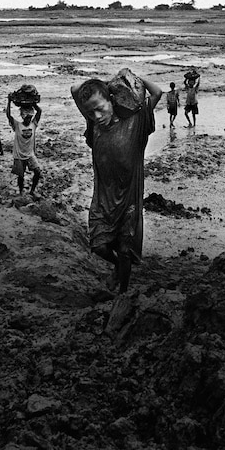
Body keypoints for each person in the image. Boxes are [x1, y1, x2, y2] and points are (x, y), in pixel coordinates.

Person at [70, 73, 162, 293]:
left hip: (128, 199)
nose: (96, 115)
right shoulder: (95, 127)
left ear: (111, 100)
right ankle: (118, 268)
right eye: (90, 112)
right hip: (102, 199)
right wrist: (105, 84)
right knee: (99, 246)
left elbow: (157, 93)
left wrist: (132, 80)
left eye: (100, 108)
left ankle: (123, 290)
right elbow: (75, 89)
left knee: (125, 249)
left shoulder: (136, 122)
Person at [6, 96, 42, 196]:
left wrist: (34, 103)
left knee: (38, 171)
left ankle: (32, 191)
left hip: (30, 154)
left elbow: (39, 111)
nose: (28, 119)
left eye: (30, 117)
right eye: (27, 118)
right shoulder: (17, 125)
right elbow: (8, 115)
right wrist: (9, 101)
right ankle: (21, 191)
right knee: (21, 176)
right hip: (19, 155)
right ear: (22, 117)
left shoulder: (33, 124)